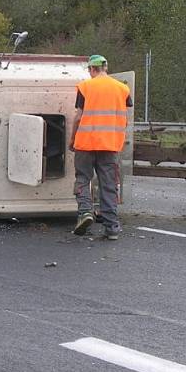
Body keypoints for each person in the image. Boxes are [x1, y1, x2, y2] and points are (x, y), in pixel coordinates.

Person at [69, 55, 132, 240]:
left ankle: (85, 213)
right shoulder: (122, 89)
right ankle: (112, 228)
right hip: (110, 145)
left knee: (82, 179)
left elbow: (79, 117)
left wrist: (72, 139)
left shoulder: (85, 87)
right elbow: (124, 117)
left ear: (91, 69)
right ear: (106, 68)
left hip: (86, 143)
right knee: (109, 184)